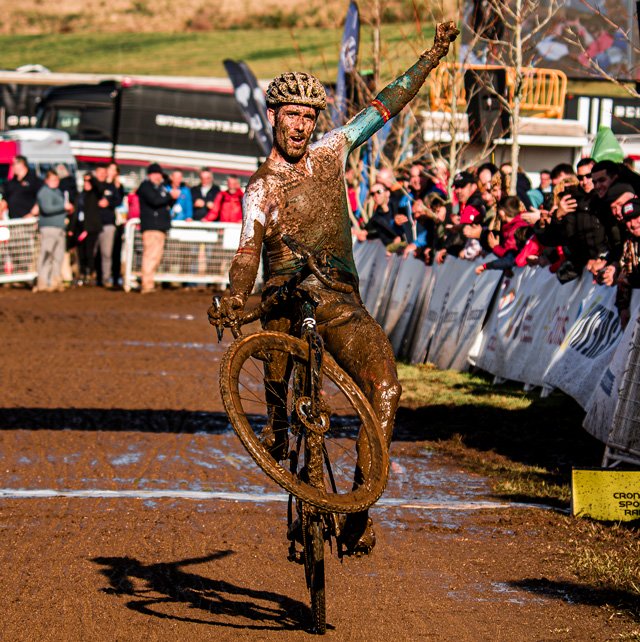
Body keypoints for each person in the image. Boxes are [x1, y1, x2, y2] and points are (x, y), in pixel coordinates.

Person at [208, 22, 459, 555]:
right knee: (280, 383)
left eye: (307, 117)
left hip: (341, 304)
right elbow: (246, 255)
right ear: (271, 117)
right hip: (282, 303)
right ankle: (278, 425)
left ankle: (360, 504)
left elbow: (387, 103)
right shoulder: (259, 191)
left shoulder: (332, 151)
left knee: (386, 388)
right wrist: (234, 296)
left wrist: (433, 56)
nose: (299, 127)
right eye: (291, 116)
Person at [136, 163, 180, 293]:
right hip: (151, 227)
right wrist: (170, 196)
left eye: (159, 174)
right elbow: (155, 201)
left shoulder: (160, 188)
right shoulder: (145, 187)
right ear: (150, 175)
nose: (158, 177)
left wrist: (171, 197)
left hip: (160, 227)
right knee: (150, 255)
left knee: (156, 256)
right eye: (156, 174)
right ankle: (147, 284)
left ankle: (149, 282)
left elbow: (165, 202)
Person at [34, 170, 74, 292]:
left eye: (57, 179)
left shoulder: (57, 191)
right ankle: (43, 282)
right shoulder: (44, 192)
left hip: (60, 228)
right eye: (52, 180)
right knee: (46, 255)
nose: (55, 182)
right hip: (49, 228)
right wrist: (64, 207)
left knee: (58, 256)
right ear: (46, 180)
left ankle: (55, 281)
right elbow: (46, 209)